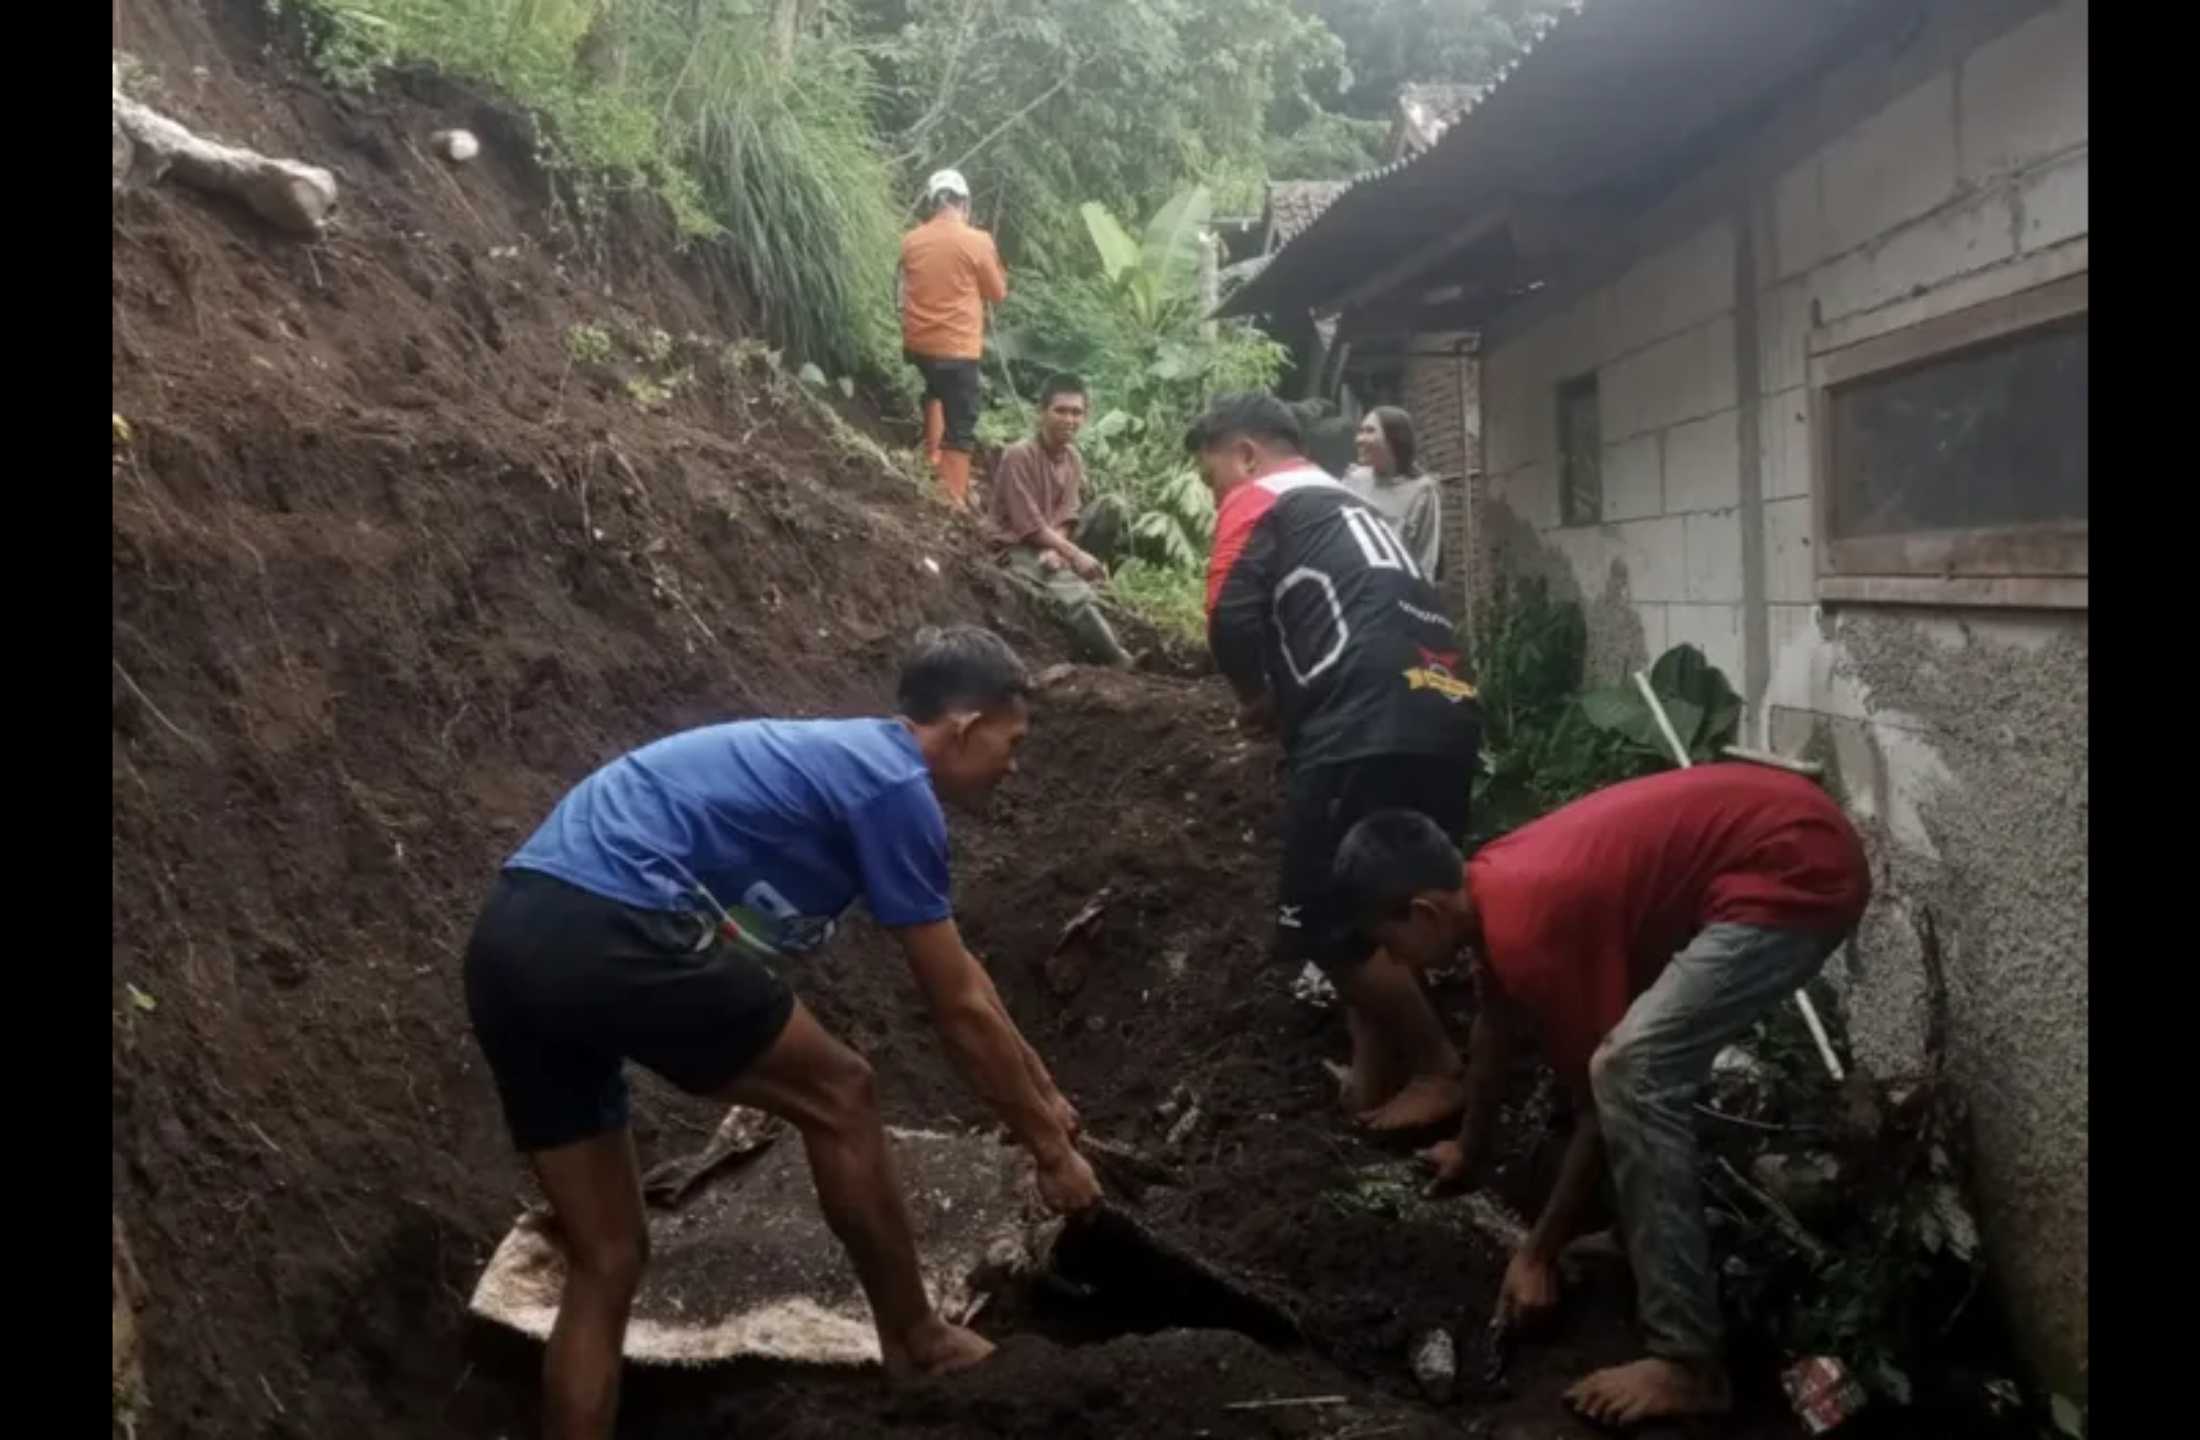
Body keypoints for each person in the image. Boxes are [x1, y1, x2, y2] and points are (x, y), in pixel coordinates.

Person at [463, 626, 1102, 1440]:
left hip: (514, 938)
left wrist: (1044, 1094)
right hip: (613, 917)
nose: (1015, 765)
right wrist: (1050, 1152)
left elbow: (966, 977)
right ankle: (918, 1339)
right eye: (1013, 743)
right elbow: (957, 1009)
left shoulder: (849, 767)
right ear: (966, 727)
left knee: (608, 1256)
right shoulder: (893, 785)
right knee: (842, 1092)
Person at [1330, 763, 1872, 1427]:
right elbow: (1495, 1024)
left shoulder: (1531, 924)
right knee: (1629, 1068)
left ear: (1423, 912)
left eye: (1396, 948)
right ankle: (1637, 1230)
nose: (1405, 967)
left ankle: (1688, 1361)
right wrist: (1469, 1149)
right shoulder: (1489, 887)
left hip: (1797, 873)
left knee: (1632, 1071)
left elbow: (1597, 1102)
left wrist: (1537, 1251)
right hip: (1780, 839)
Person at [1188, 391, 1483, 1133]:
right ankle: (1371, 1086)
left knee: (1322, 920)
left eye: (1211, 475)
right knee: (1380, 912)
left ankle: (1440, 1070)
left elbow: (1227, 615)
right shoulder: (1356, 509)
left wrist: (1255, 697)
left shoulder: (1264, 497)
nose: (1216, 493)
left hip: (1362, 719)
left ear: (1247, 455)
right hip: (1443, 706)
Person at [987, 373, 1132, 667]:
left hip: (1052, 540)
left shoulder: (1073, 458)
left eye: (1077, 412)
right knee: (1072, 591)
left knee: (1112, 506)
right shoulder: (1019, 455)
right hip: (1015, 547)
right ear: (1042, 412)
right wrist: (1074, 554)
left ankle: (1073, 575)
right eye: (1061, 410)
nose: (1069, 419)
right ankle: (1117, 658)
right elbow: (1028, 526)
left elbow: (1068, 515)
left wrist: (1057, 550)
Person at [899, 168, 1008, 508]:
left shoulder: (911, 240)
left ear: (933, 203)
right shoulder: (977, 241)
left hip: (918, 346)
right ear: (965, 203)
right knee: (962, 423)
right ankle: (951, 501)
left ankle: (933, 457)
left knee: (936, 390)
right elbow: (997, 292)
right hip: (957, 349)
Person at [1341, 406, 1442, 581]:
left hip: (1397, 590)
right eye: (1360, 431)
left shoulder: (1422, 490)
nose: (1359, 439)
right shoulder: (1353, 480)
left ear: (1393, 439)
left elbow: (1426, 559)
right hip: (1354, 587)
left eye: (1369, 431)